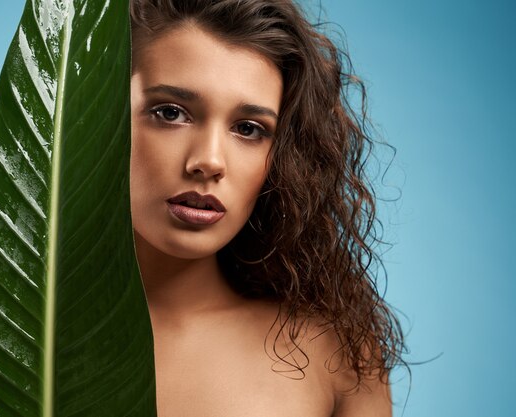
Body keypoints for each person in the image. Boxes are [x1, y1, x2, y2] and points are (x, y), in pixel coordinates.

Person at [128, 0, 406, 416]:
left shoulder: (332, 351)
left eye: (248, 129)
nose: (209, 160)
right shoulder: (19, 329)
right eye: (171, 113)